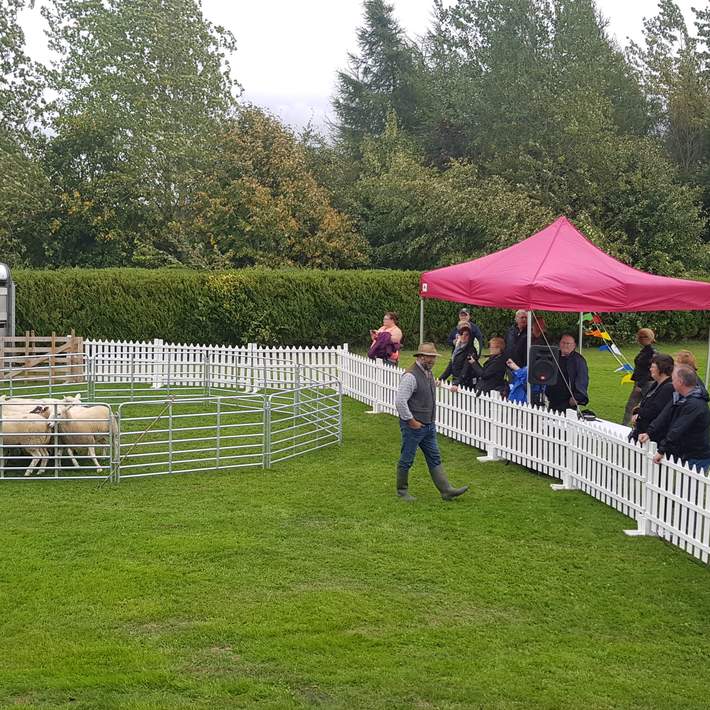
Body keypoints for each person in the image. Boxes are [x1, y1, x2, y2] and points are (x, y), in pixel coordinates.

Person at [394, 342, 469, 502]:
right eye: (430, 358)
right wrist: (411, 421)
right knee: (407, 458)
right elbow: (400, 401)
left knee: (434, 457)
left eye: (434, 358)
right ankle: (402, 492)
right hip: (414, 426)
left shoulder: (427, 373)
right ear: (421, 357)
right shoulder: (410, 376)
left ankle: (446, 490)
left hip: (428, 425)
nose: (433, 361)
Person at [639, 365, 710, 472]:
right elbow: (664, 416)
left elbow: (678, 428)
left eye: (673, 379)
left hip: (696, 454)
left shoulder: (695, 404)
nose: (672, 382)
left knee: (688, 487)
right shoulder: (679, 397)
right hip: (684, 451)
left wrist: (662, 449)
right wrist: (649, 432)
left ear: (680, 382)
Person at [628, 353, 674, 442]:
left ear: (661, 368)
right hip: (641, 431)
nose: (650, 369)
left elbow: (655, 411)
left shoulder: (668, 388)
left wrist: (638, 413)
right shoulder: (656, 384)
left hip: (653, 437)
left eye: (653, 367)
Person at [545, 333, 589, 413]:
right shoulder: (554, 356)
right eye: (563, 342)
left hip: (568, 402)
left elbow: (582, 379)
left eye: (568, 343)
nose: (565, 345)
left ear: (574, 345)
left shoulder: (578, 360)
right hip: (553, 399)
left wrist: (577, 397)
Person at [622, 328, 656, 426]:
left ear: (648, 338)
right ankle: (624, 426)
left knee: (644, 406)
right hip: (640, 382)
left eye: (642, 337)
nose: (639, 339)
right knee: (630, 406)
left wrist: (639, 385)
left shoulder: (651, 352)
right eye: (639, 337)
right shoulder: (644, 351)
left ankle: (645, 426)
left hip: (646, 383)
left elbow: (650, 371)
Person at [439, 321, 477, 389]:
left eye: (466, 334)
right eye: (461, 334)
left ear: (470, 336)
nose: (463, 336)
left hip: (466, 384)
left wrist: (457, 382)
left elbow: (466, 369)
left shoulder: (471, 350)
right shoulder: (457, 348)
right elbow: (451, 365)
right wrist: (441, 379)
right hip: (456, 381)